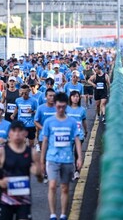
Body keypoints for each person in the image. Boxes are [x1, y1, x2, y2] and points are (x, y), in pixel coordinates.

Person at [0, 120, 42, 220]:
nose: (17, 134)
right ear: (9, 133)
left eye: (20, 131)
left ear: (25, 133)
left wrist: (37, 173)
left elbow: (40, 178)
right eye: (14, 131)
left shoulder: (32, 153)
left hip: (24, 199)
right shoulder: (1, 152)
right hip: (5, 199)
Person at [41, 92, 82, 220]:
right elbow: (45, 141)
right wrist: (41, 160)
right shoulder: (49, 122)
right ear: (55, 106)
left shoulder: (71, 122)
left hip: (68, 159)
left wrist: (80, 157)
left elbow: (77, 139)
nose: (61, 109)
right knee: (52, 185)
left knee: (65, 188)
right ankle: (53, 214)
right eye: (58, 107)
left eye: (63, 107)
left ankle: (63, 214)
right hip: (52, 158)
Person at [66, 91, 87, 180]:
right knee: (68, 153)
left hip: (79, 134)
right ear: (70, 98)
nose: (75, 98)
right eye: (74, 96)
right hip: (68, 135)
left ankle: (77, 171)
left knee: (76, 153)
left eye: (77, 96)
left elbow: (84, 121)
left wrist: (86, 130)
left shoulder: (82, 109)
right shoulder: (66, 109)